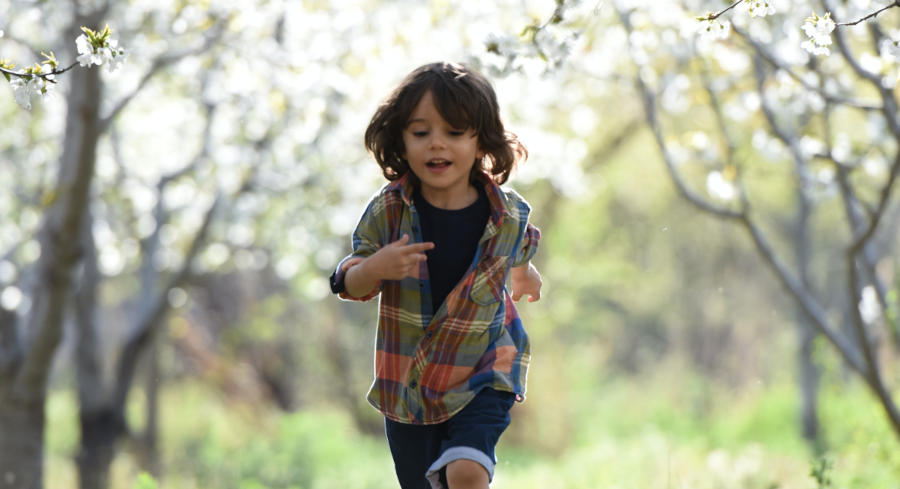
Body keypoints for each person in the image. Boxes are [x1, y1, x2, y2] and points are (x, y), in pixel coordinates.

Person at [329, 61, 542, 489]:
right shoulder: (389, 211)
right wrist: (373, 268)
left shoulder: (508, 214)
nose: (436, 145)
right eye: (421, 133)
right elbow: (346, 279)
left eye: (454, 133)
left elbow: (517, 250)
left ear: (481, 138)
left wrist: (525, 272)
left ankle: (466, 471)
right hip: (409, 384)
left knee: (467, 470)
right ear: (401, 140)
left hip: (485, 369)